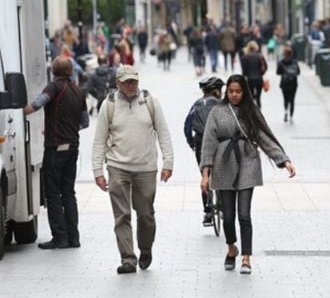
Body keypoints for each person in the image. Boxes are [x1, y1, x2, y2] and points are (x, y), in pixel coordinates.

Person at [200, 74, 296, 275]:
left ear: (244, 92)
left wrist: (283, 159)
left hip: (247, 162)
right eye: (231, 91)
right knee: (227, 216)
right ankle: (231, 248)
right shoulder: (217, 112)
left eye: (238, 91)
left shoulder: (251, 111)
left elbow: (263, 138)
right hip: (224, 162)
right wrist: (205, 174)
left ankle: (246, 257)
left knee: (244, 214)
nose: (234, 95)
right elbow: (208, 143)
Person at [92, 65, 174, 274]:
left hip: (145, 168)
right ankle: (128, 258)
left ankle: (145, 248)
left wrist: (168, 163)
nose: (131, 85)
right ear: (117, 83)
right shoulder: (108, 105)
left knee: (146, 214)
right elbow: (99, 140)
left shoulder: (150, 102)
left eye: (134, 81)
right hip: (118, 167)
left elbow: (163, 133)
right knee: (122, 215)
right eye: (126, 82)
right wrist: (98, 171)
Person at [24, 56, 89, 249]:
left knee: (53, 194)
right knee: (69, 193)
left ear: (53, 71)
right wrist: (67, 128)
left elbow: (35, 105)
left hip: (55, 148)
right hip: (73, 147)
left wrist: (19, 109)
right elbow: (84, 122)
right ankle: (74, 238)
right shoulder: (79, 91)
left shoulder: (52, 88)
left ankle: (60, 238)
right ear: (70, 71)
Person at [183, 76, 225, 225]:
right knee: (221, 173)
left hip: (200, 143)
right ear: (216, 90)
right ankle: (223, 205)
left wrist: (191, 141)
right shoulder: (221, 105)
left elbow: (187, 126)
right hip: (219, 143)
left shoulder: (196, 105)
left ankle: (207, 211)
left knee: (204, 175)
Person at [276, 45, 300, 123]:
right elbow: (298, 72)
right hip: (293, 82)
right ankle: (291, 117)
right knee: (292, 99)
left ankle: (286, 111)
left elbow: (278, 72)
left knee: (285, 99)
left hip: (284, 82)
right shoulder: (295, 61)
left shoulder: (281, 62)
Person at [241, 41, 267, 108]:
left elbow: (244, 71)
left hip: (250, 79)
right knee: (258, 97)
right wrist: (261, 73)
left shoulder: (245, 57)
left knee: (251, 97)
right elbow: (265, 67)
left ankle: (252, 112)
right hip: (259, 79)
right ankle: (259, 110)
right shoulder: (260, 56)